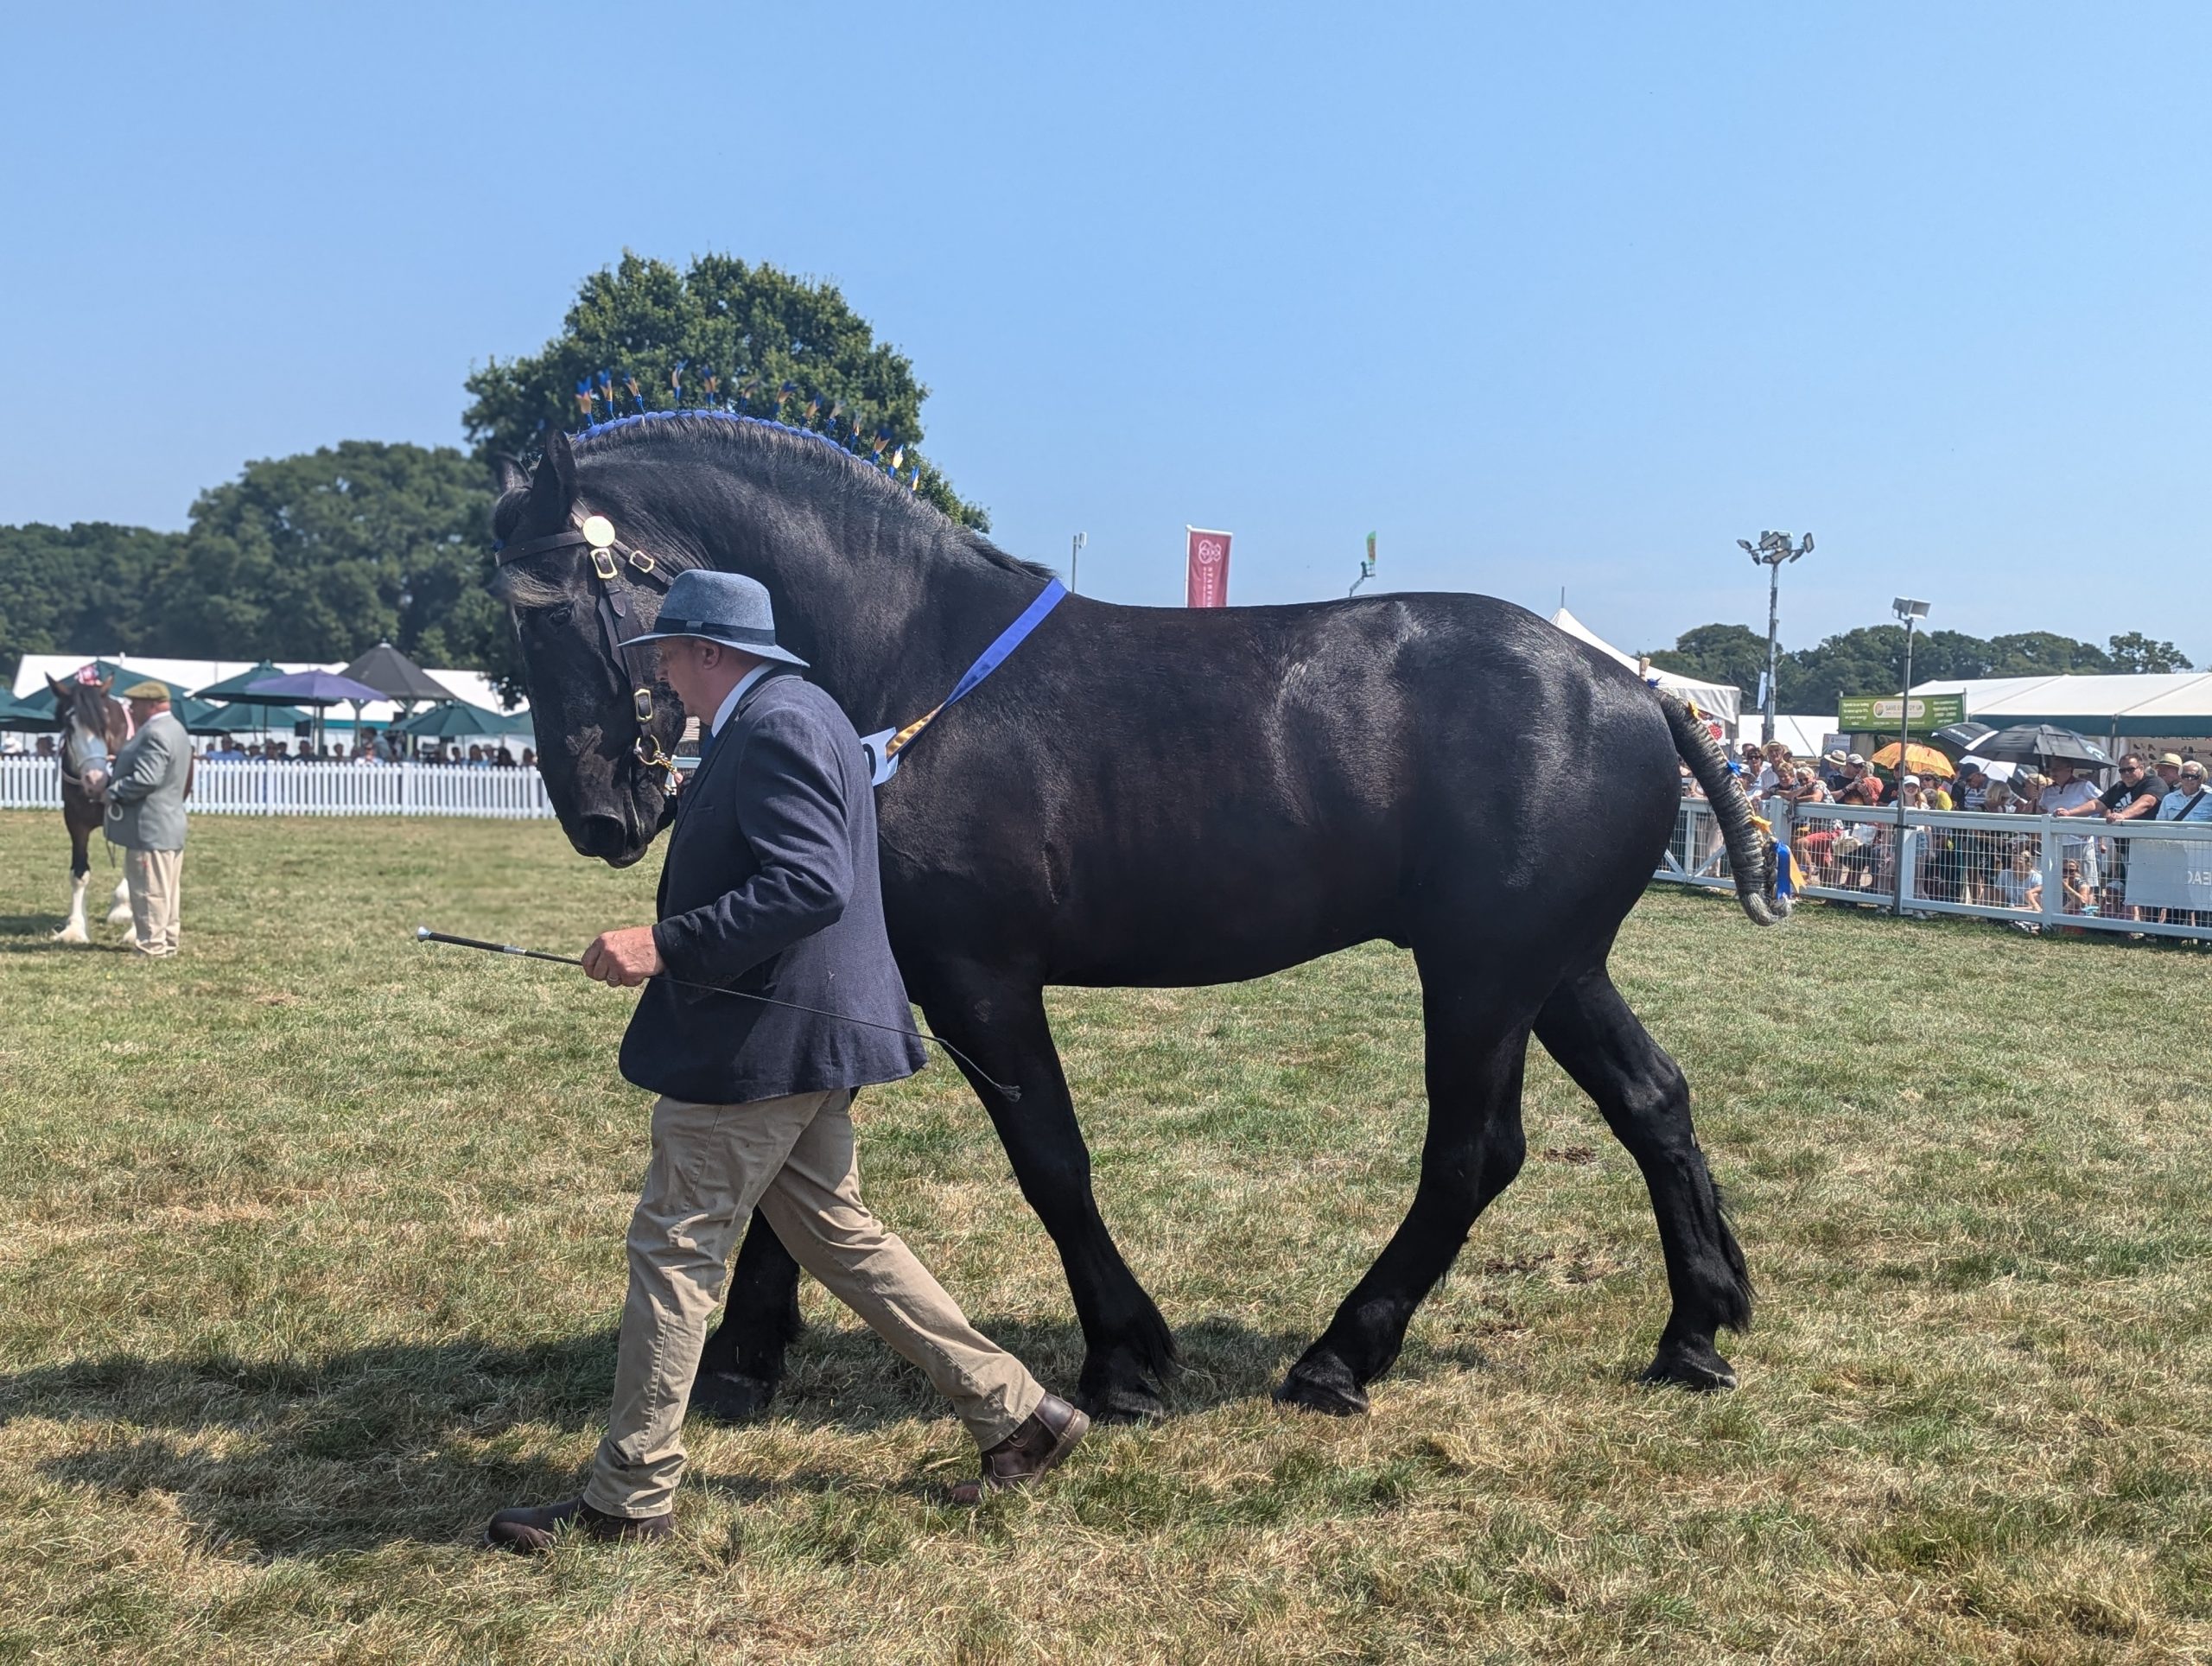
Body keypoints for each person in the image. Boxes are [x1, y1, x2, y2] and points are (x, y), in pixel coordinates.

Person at [486, 569, 1087, 1554]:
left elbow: (807, 883)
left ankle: (628, 1498)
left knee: (675, 1250)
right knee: (841, 1235)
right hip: (795, 1036)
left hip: (758, 1041)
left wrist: (663, 943)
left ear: (714, 652)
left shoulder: (776, 725)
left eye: (670, 655)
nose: (664, 675)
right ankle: (1017, 1413)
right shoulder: (790, 717)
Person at [102, 680, 192, 958]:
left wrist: (112, 792)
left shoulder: (154, 733)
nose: (131, 708)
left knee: (149, 889)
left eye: (136, 703)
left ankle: (151, 947)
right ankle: (167, 941)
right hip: (169, 823)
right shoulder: (175, 729)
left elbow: (146, 779)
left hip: (149, 826)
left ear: (152, 705)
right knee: (167, 890)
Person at [2099, 756, 2164, 922]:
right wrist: (2070, 813)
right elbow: (2097, 804)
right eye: (2122, 770)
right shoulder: (2119, 787)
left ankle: (2154, 929)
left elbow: (2146, 802)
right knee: (2135, 891)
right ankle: (2141, 927)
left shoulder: (2153, 783)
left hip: (2150, 850)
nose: (2126, 773)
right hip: (2126, 850)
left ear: (2141, 768)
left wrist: (2123, 815)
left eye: (2131, 769)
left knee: (2152, 892)